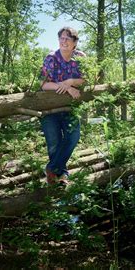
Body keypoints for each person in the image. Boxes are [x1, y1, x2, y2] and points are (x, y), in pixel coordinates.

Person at [39, 27, 86, 186]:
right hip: (49, 107)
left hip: (69, 107)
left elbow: (86, 80)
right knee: (54, 144)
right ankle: (59, 177)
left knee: (73, 136)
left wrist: (71, 82)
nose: (63, 41)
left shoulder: (80, 57)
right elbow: (43, 84)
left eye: (67, 38)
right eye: (61, 38)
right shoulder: (51, 58)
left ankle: (52, 169)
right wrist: (63, 86)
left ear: (75, 42)